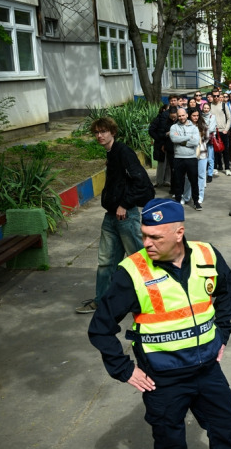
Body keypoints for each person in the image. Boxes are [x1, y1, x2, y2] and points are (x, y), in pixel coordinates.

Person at [88, 198, 231, 448]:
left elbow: (225, 292)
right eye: (144, 235)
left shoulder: (207, 254)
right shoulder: (132, 272)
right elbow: (100, 328)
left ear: (179, 233)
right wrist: (123, 369)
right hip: (163, 379)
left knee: (225, 430)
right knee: (170, 442)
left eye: (155, 237)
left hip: (208, 370)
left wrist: (222, 333)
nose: (146, 243)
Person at [76, 117, 153, 314]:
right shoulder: (111, 154)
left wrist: (125, 204)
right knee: (106, 262)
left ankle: (152, 299)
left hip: (125, 217)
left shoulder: (123, 152)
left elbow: (142, 182)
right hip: (111, 216)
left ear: (113, 132)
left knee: (138, 260)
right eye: (96, 132)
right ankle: (102, 301)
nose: (99, 136)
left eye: (103, 131)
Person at [169, 107, 202, 211]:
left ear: (187, 115)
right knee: (178, 181)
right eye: (179, 116)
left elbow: (195, 142)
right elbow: (174, 139)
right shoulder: (174, 127)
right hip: (178, 158)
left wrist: (181, 141)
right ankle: (178, 201)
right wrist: (188, 138)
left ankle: (196, 201)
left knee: (194, 181)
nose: (181, 117)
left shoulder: (194, 128)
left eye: (183, 115)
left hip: (191, 158)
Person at [181, 109, 209, 206]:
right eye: (194, 115)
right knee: (188, 176)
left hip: (202, 154)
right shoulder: (185, 125)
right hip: (189, 154)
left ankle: (199, 197)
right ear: (189, 116)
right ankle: (186, 196)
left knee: (201, 176)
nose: (196, 117)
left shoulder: (203, 125)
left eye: (197, 115)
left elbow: (207, 138)